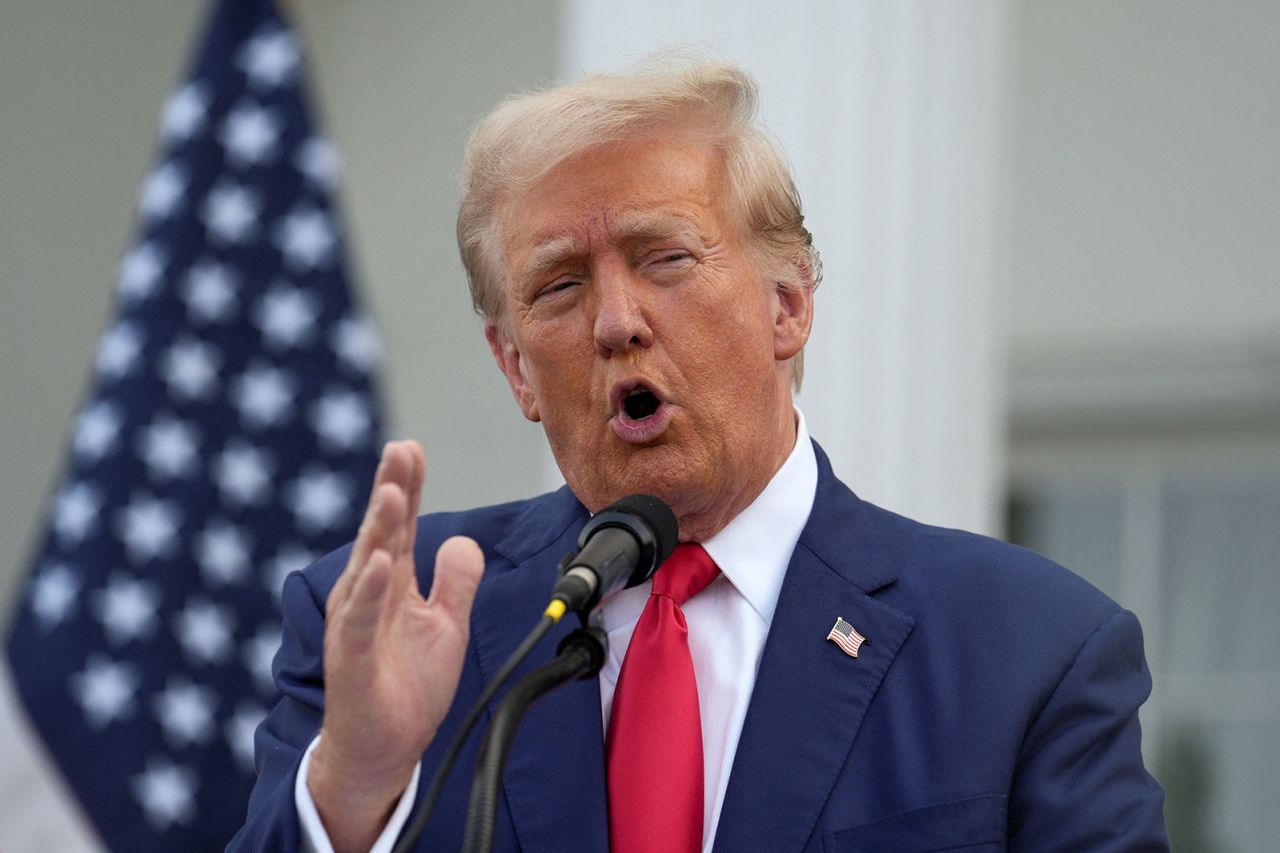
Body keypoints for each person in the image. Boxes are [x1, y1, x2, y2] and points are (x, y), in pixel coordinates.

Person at [230, 58, 1169, 852]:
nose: (615, 321)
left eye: (664, 258)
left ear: (788, 307)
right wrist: (355, 792)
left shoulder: (1025, 649)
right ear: (516, 366)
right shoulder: (397, 617)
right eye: (558, 286)